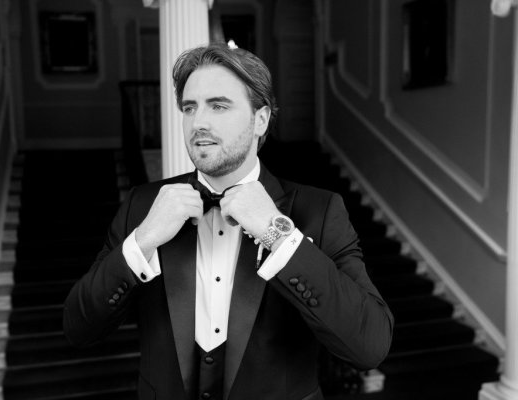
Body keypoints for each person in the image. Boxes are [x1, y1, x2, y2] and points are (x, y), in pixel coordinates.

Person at [63, 44, 394, 400]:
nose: (199, 122)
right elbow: (79, 327)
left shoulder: (321, 210)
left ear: (261, 120)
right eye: (190, 108)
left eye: (218, 106)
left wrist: (279, 236)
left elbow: (369, 345)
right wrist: (142, 241)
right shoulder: (143, 206)